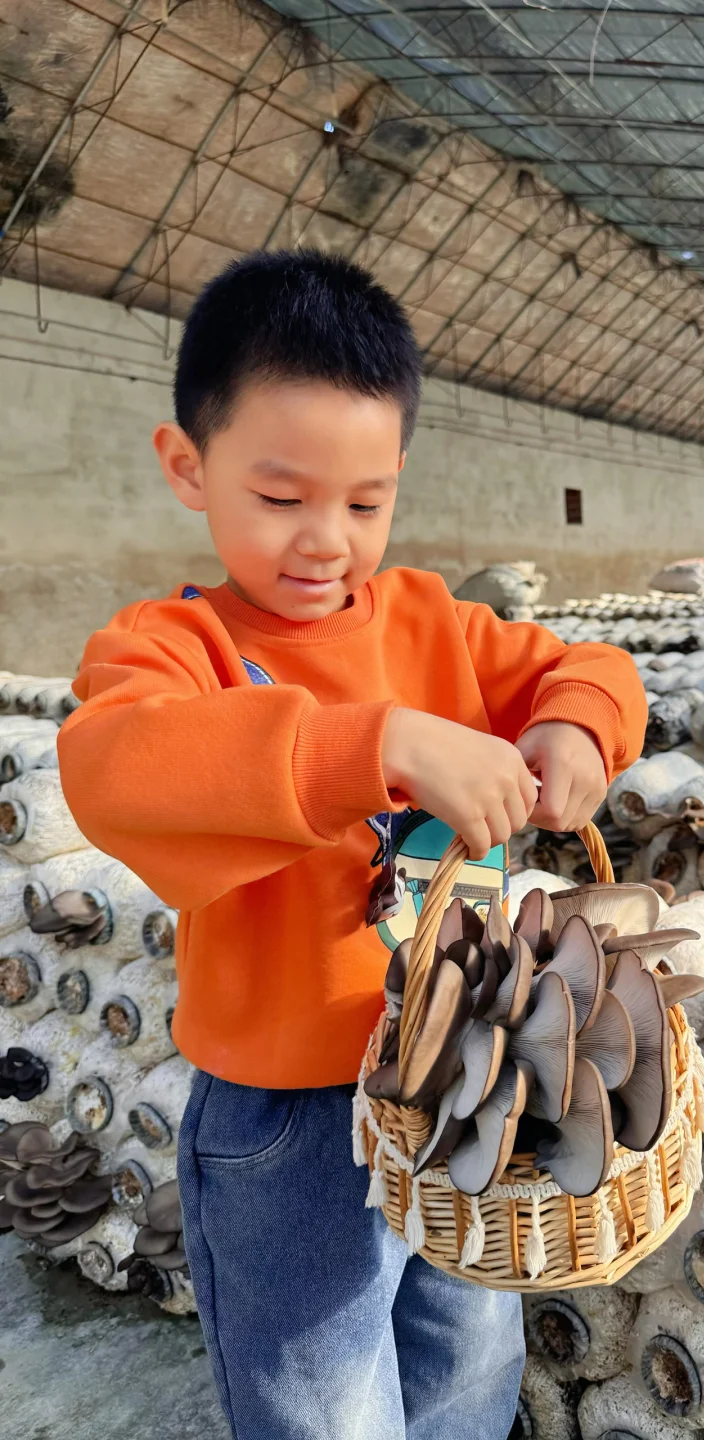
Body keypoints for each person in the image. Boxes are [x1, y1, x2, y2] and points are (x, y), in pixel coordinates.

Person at [58, 249, 647, 1440]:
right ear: (189, 466)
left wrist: (576, 732)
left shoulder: (437, 623)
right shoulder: (172, 649)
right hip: (289, 1120)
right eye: (281, 498)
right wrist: (372, 744)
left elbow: (594, 671)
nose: (326, 539)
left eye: (365, 502)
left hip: (460, 1081)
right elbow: (114, 764)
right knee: (323, 1402)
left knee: (468, 1359)